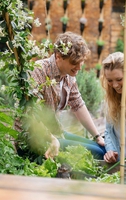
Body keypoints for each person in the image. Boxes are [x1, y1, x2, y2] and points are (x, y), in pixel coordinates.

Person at [30, 31, 105, 160]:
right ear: (58, 56)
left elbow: (78, 105)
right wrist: (52, 139)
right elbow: (31, 115)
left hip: (55, 132)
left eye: (81, 62)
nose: (79, 67)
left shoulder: (68, 75)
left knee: (103, 148)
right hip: (38, 136)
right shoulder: (39, 71)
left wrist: (97, 136)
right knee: (98, 154)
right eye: (74, 63)